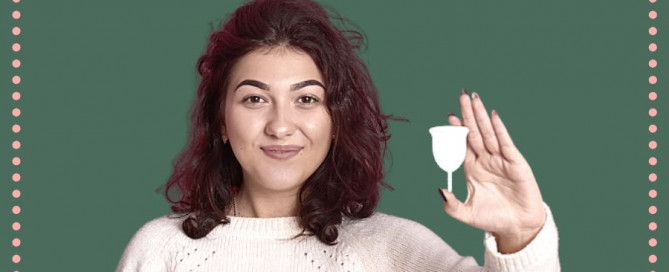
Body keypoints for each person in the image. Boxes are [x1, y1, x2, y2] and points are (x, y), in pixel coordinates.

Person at [116, 0, 560, 271]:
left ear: (336, 120)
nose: (280, 125)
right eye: (254, 99)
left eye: (306, 100)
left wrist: (521, 235)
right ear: (220, 122)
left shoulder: (389, 249)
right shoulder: (163, 251)